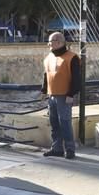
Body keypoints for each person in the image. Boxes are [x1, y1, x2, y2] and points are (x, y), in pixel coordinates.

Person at [41, 31, 81, 159]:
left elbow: (76, 78)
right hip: (52, 95)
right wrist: (43, 91)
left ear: (59, 42)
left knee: (65, 122)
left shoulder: (72, 57)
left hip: (64, 95)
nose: (49, 45)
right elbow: (46, 75)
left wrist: (71, 93)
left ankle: (70, 149)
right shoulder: (48, 57)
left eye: (50, 42)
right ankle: (57, 148)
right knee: (54, 123)